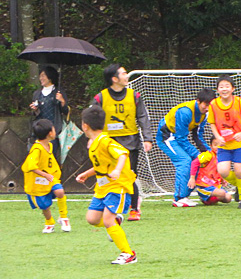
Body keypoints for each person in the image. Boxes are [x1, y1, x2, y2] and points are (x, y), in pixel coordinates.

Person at [76, 106, 137, 265]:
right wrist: (87, 174)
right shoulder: (94, 143)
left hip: (117, 186)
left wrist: (117, 170)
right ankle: (115, 222)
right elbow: (101, 165)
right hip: (103, 187)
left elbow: (122, 154)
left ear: (85, 126)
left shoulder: (105, 140)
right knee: (92, 219)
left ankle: (128, 253)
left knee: (108, 220)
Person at [92, 63, 152, 221]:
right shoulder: (100, 98)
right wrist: (91, 139)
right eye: (123, 73)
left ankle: (134, 208)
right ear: (114, 79)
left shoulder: (134, 96)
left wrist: (147, 138)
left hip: (130, 142)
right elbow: (92, 117)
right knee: (108, 175)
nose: (126, 76)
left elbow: (143, 117)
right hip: (108, 143)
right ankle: (110, 206)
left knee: (129, 175)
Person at [156, 88, 216, 207]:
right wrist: (198, 155)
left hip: (178, 138)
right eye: (205, 104)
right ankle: (179, 198)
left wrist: (209, 152)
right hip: (167, 136)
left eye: (210, 105)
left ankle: (200, 195)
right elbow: (181, 138)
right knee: (185, 161)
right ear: (198, 101)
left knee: (200, 161)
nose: (207, 108)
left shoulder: (205, 114)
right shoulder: (185, 112)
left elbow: (197, 136)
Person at [208, 75, 241, 209]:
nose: (224, 89)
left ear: (233, 88)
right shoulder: (213, 104)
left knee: (240, 172)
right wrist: (218, 137)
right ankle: (240, 186)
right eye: (221, 87)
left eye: (227, 86)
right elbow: (212, 123)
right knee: (223, 171)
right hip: (224, 145)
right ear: (217, 90)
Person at [21, 119, 71, 233]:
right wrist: (45, 175)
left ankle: (63, 217)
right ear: (50, 133)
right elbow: (31, 166)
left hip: (51, 178)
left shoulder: (50, 145)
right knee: (44, 206)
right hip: (38, 182)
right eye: (53, 129)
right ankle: (49, 222)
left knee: (60, 191)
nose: (55, 131)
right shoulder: (36, 149)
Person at [29, 66, 69, 162]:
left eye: (43, 76)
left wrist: (62, 101)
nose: (41, 78)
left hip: (53, 130)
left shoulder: (58, 93)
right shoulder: (37, 93)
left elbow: (66, 111)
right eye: (40, 76)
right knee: (38, 157)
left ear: (50, 77)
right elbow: (35, 114)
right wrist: (34, 109)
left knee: (51, 157)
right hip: (39, 130)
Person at [188, 136, 233, 205]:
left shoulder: (222, 158)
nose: (218, 147)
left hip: (215, 185)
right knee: (222, 193)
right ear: (211, 146)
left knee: (228, 198)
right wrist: (192, 178)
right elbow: (195, 162)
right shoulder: (208, 155)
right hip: (204, 185)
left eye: (220, 145)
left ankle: (211, 198)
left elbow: (218, 171)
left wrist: (223, 179)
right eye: (215, 145)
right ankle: (205, 200)